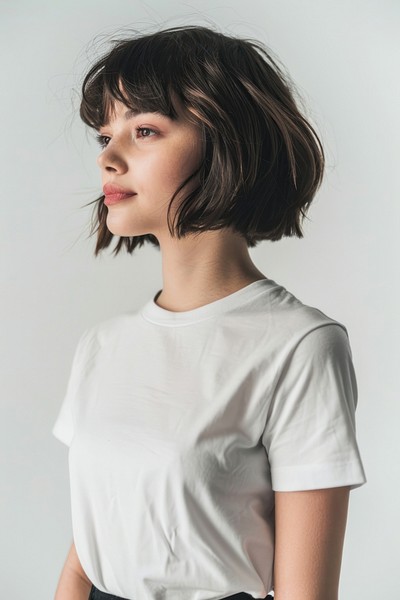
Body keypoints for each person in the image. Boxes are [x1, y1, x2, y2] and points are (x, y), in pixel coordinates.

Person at [52, 25, 367, 600]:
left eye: (144, 130)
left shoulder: (300, 346)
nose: (109, 159)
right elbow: (86, 556)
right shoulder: (102, 345)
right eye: (104, 136)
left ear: (224, 143)